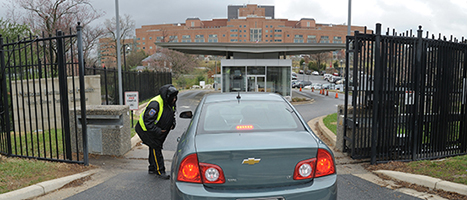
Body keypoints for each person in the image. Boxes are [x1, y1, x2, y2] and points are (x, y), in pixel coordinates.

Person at [135, 84, 178, 179]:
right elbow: (148, 122)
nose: (174, 99)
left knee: (153, 147)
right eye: (173, 97)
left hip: (155, 129)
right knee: (156, 147)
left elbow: (172, 113)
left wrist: (172, 123)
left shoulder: (169, 102)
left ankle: (152, 167)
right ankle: (160, 170)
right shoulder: (155, 104)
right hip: (145, 129)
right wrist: (158, 131)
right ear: (167, 96)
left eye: (175, 97)